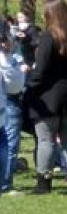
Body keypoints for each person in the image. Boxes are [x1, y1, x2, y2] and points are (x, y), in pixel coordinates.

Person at [26, 0, 67, 195]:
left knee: (46, 139)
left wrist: (30, 87)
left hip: (48, 94)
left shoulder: (48, 36)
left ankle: (43, 182)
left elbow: (42, 69)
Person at [0, 29, 26, 194]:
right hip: (6, 103)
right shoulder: (7, 59)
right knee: (6, 144)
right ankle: (4, 183)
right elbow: (14, 87)